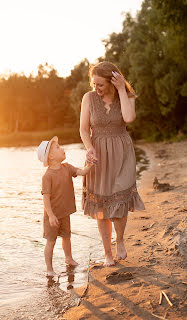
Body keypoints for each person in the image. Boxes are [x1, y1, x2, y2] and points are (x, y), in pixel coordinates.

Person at [80, 61, 145, 266]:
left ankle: (121, 241)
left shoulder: (126, 96)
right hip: (97, 153)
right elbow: (83, 130)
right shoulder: (88, 98)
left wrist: (121, 90)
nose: (95, 88)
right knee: (101, 204)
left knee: (120, 198)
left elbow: (129, 117)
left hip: (122, 153)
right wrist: (89, 147)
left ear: (112, 81)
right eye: (93, 84)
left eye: (100, 84)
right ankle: (107, 253)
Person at [37, 136, 94, 276]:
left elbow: (81, 172)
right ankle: (49, 269)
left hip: (65, 213)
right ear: (50, 156)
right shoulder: (47, 176)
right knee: (51, 242)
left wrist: (90, 165)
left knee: (67, 237)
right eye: (57, 147)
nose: (62, 148)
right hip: (52, 216)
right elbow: (46, 198)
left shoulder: (67, 168)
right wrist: (50, 215)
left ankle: (68, 258)